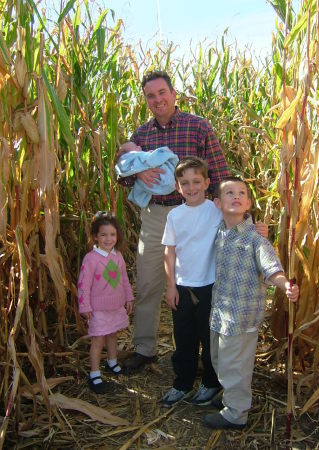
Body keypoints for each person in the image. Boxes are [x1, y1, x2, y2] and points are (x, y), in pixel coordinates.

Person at [119, 70, 231, 373]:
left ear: (173, 93)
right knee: (148, 283)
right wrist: (137, 172)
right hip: (155, 216)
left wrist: (237, 217)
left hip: (195, 214)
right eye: (150, 96)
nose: (157, 100)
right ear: (145, 101)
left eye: (161, 93)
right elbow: (122, 173)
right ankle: (145, 348)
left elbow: (219, 173)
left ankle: (207, 353)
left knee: (202, 284)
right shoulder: (141, 136)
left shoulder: (198, 127)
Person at [161, 158, 268, 407]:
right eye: (184, 183)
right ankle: (183, 383)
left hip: (212, 287)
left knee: (210, 340)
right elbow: (169, 252)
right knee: (184, 338)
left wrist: (259, 228)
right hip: (183, 287)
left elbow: (240, 221)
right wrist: (170, 285)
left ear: (207, 183)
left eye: (196, 181)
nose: (191, 187)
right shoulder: (174, 216)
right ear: (177, 187)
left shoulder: (216, 209)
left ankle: (210, 382)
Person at [204, 177, 299, 429]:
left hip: (242, 316)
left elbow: (271, 268)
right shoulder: (221, 233)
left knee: (234, 366)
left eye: (241, 193)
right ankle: (230, 396)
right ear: (217, 203)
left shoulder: (256, 240)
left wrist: (285, 284)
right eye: (229, 193)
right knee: (218, 360)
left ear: (247, 203)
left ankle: (236, 413)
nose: (236, 196)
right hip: (220, 313)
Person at [78, 212, 134, 393]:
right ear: (95, 236)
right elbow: (83, 285)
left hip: (116, 305)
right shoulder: (91, 259)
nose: (108, 239)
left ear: (117, 236)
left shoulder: (118, 256)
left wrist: (129, 296)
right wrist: (84, 306)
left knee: (112, 334)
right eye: (103, 235)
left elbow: (124, 278)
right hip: (98, 308)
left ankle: (112, 362)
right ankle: (94, 374)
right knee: (98, 339)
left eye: (112, 235)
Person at [115, 142, 179, 208]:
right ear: (129, 154)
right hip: (153, 208)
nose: (140, 146)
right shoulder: (135, 155)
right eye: (136, 147)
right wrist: (137, 172)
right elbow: (151, 159)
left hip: (182, 203)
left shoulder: (131, 158)